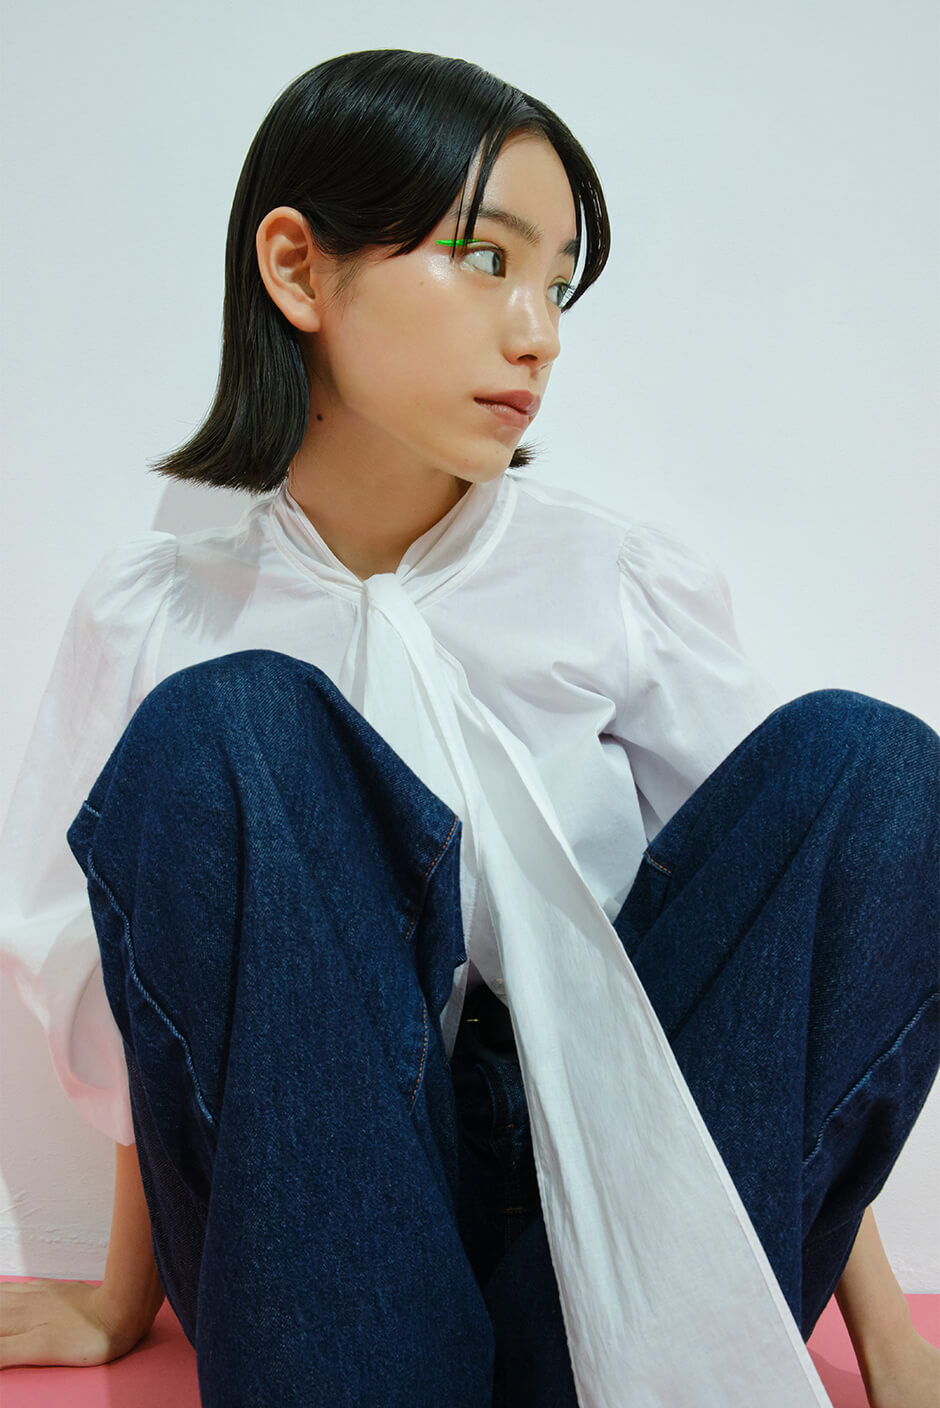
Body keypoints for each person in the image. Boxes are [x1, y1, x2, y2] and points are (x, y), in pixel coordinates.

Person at [0, 48, 937, 1408]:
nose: (538, 332)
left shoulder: (613, 585)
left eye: (558, 282)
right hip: (327, 1228)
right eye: (485, 259)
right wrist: (115, 1297)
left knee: (877, 768)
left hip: (612, 1219)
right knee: (238, 725)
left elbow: (778, 986)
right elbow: (165, 1023)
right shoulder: (164, 615)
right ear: (298, 269)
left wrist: (888, 1344)